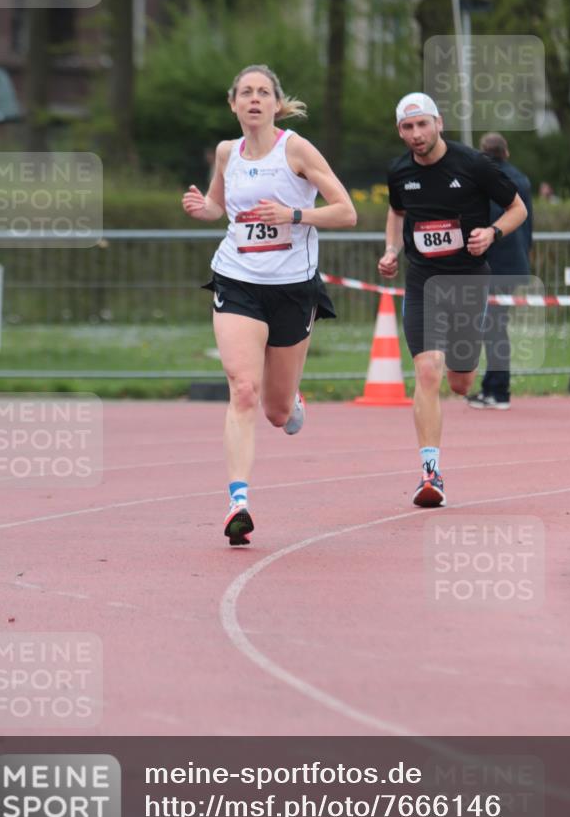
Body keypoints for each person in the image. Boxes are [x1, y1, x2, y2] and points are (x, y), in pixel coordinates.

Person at [182, 64, 357, 545]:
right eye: (246, 92)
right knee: (242, 388)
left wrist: (294, 214)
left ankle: (292, 398)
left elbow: (346, 211)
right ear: (233, 103)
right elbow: (221, 207)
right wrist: (205, 210)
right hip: (237, 280)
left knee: (277, 412)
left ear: (276, 104)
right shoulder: (226, 153)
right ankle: (238, 500)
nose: (255, 99)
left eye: (264, 93)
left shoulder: (294, 149)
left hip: (292, 288)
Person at [377, 93, 527, 508]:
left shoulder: (473, 164)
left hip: (468, 281)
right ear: (400, 132)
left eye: (422, 124)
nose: (416, 134)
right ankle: (430, 473)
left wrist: (493, 233)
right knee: (427, 371)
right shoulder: (399, 171)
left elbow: (517, 209)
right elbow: (396, 211)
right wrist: (391, 249)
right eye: (407, 128)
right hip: (424, 280)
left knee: (460, 381)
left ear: (438, 122)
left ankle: (464, 374)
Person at [466, 132, 533, 410]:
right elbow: (527, 222)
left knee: (493, 328)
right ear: (506, 152)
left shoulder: (485, 180)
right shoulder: (522, 179)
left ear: (483, 152)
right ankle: (493, 387)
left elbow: (485, 224)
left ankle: (498, 390)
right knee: (495, 327)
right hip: (515, 262)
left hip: (494, 264)